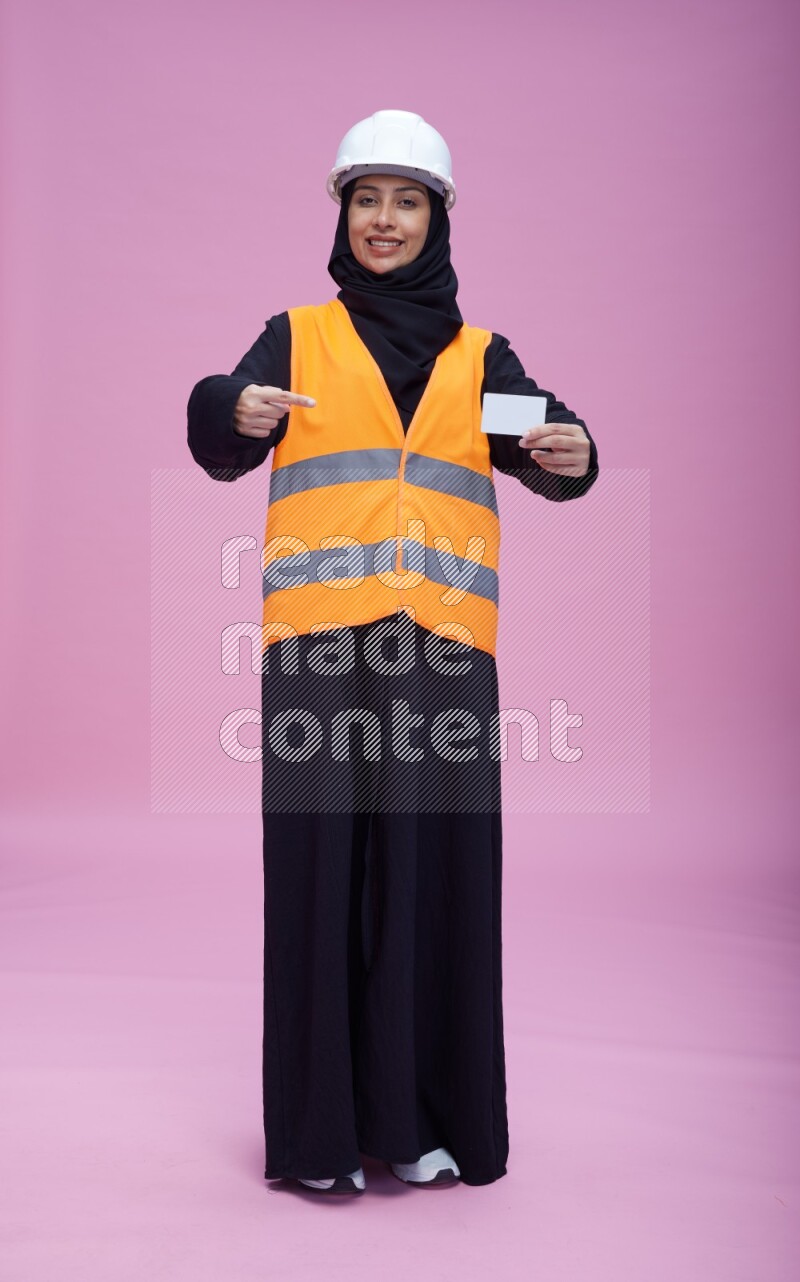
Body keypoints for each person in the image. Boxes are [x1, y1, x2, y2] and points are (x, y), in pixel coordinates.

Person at [187, 109, 599, 1196]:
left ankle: (421, 1127)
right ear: (342, 213)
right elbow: (219, 428)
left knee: (433, 879)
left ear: (437, 219)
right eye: (366, 199)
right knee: (319, 878)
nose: (384, 219)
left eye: (405, 201)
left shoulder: (481, 357)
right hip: (318, 656)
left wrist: (575, 452)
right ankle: (320, 1140)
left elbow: (551, 449)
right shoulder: (295, 337)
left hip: (444, 655)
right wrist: (233, 408)